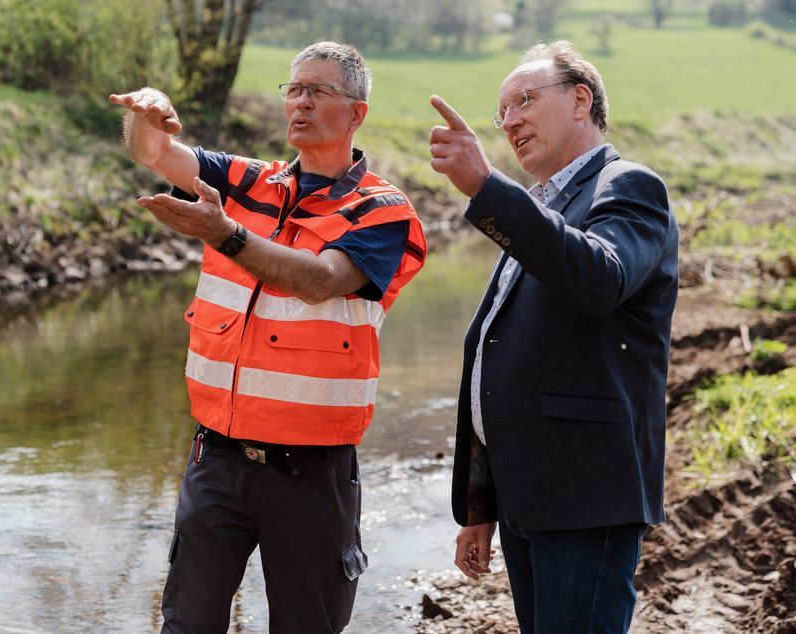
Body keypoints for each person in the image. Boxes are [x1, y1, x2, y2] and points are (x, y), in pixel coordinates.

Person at [110, 42, 426, 633]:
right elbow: (154, 151)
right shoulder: (244, 179)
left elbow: (319, 280)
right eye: (294, 89)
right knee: (186, 626)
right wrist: (145, 115)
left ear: (356, 113)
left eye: (318, 92)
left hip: (313, 474)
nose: (300, 103)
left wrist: (226, 234)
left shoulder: (383, 211)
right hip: (217, 460)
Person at [428, 40, 678, 632]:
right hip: (527, 497)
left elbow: (599, 279)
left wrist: (487, 188)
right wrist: (481, 505)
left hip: (585, 494)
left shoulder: (627, 186)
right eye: (502, 111)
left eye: (524, 100)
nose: (510, 119)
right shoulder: (544, 207)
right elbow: (500, 360)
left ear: (580, 101)